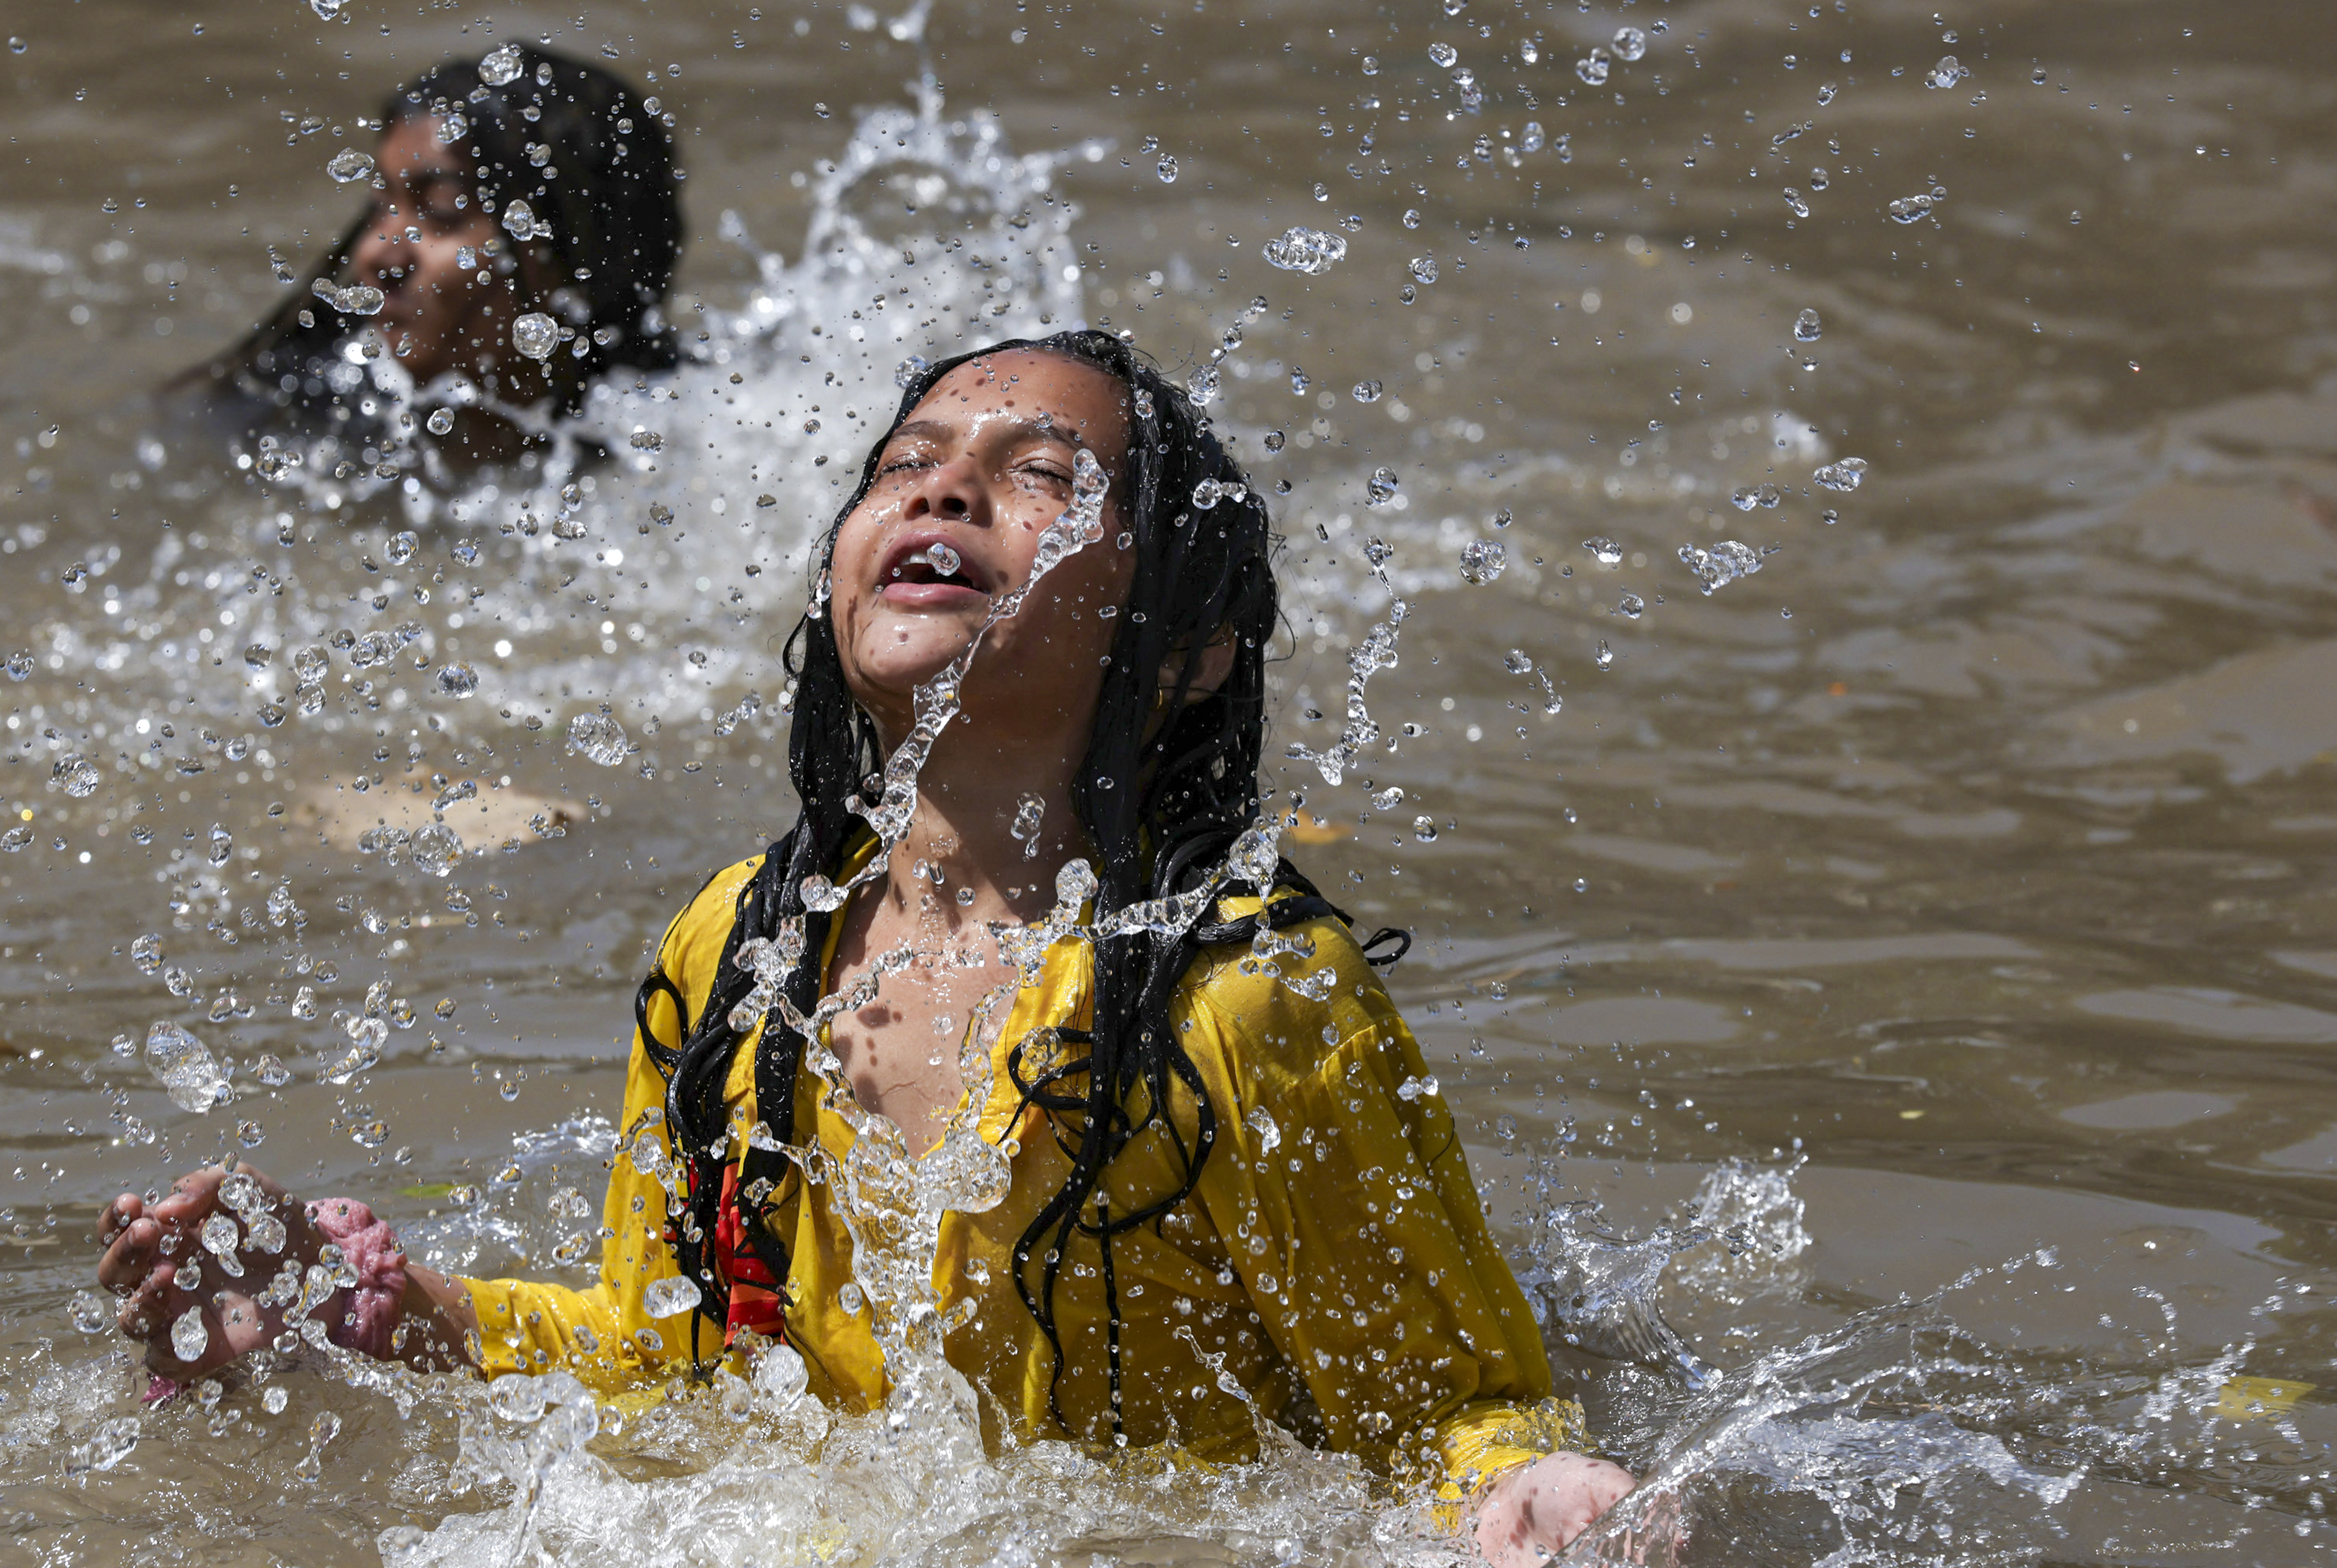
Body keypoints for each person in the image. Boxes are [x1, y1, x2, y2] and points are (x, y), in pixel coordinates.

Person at [96, 331, 1635, 1562]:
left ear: (1183, 649)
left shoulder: (1240, 999)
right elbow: (672, 1360)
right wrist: (383, 1308)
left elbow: (1454, 1410)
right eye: (904, 464)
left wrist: (1535, 1494)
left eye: (1040, 474)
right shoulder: (741, 951)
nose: (942, 492)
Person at [168, 44, 682, 471]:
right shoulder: (284, 422)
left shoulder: (692, 433)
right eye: (379, 206)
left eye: (441, 210)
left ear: (580, 253)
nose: (376, 253)